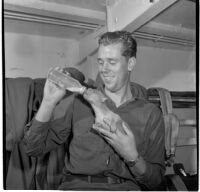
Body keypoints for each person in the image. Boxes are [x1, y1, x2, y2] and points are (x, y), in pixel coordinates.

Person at [23, 31, 165, 190]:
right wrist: (48, 102)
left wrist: (132, 156)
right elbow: (33, 148)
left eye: (112, 62)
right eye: (100, 62)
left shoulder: (151, 114)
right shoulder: (78, 102)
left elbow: (156, 180)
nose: (104, 69)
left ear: (130, 63)